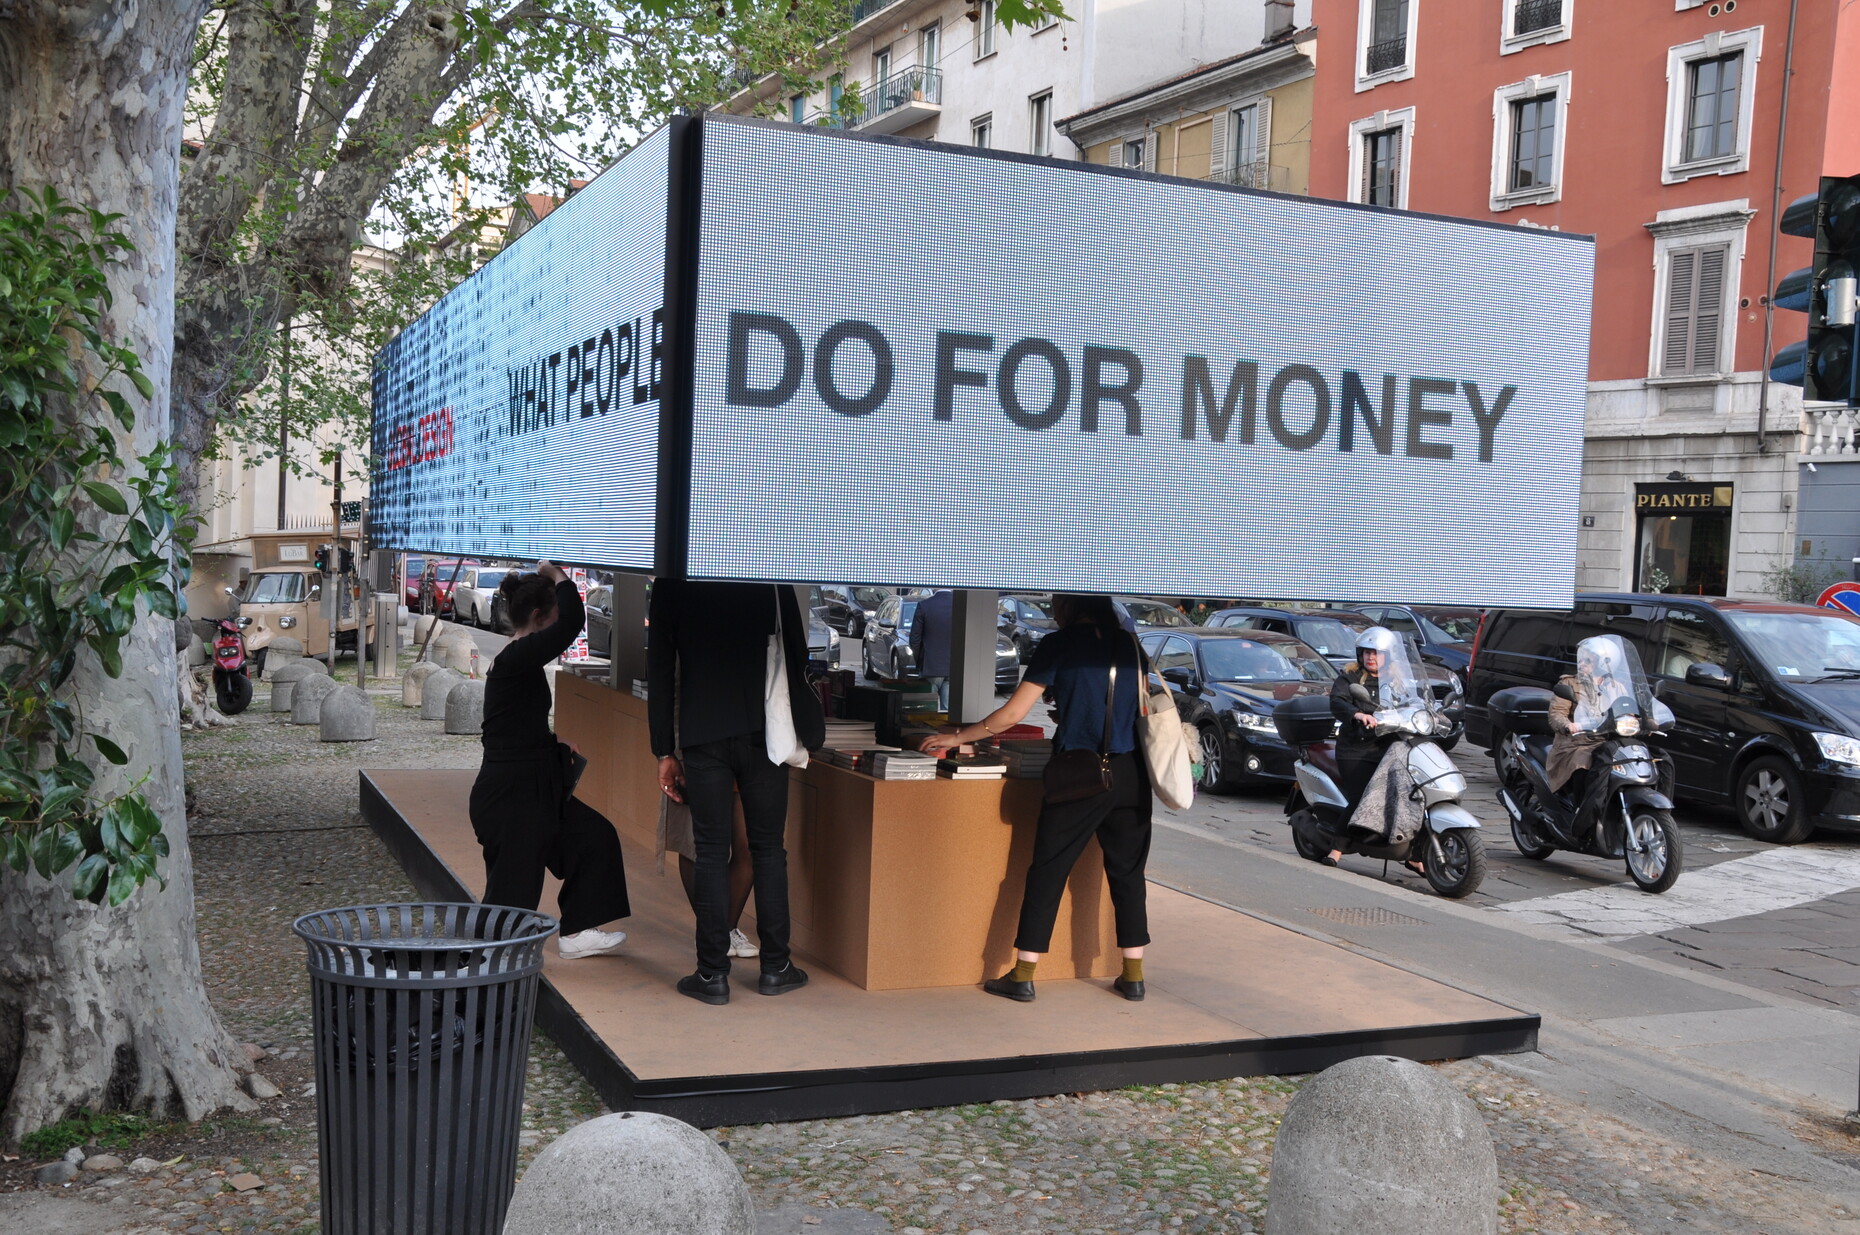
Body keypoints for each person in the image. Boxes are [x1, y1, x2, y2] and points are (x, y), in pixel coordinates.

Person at [921, 593, 1152, 1003]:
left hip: (1080, 771)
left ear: (1071, 605)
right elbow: (1138, 707)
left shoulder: (1058, 644)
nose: (1054, 609)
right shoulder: (1130, 644)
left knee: (1049, 870)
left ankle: (1023, 974)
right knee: (1128, 873)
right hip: (1131, 772)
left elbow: (1012, 714)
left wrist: (957, 737)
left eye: (1057, 601)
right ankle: (1133, 976)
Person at [649, 581, 824, 1005]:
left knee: (711, 851)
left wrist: (664, 750)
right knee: (768, 850)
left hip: (702, 732)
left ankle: (711, 975)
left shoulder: (675, 579)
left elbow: (660, 667)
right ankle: (776, 967)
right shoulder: (767, 573)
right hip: (765, 732)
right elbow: (797, 650)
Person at [469, 561, 631, 958]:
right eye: (553, 616)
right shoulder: (516, 657)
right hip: (511, 793)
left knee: (594, 839)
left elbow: (511, 724)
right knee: (514, 888)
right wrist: (556, 575)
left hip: (533, 783)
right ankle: (491, 962)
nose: (558, 625)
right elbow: (573, 620)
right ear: (539, 617)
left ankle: (576, 932)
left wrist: (553, 741)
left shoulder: (520, 660)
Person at [1326, 626, 1422, 872]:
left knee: (1413, 794)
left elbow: (1413, 702)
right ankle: (1336, 849)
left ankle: (1414, 854)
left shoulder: (1396, 681)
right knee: (1362, 796)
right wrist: (1357, 714)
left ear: (1388, 655)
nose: (1370, 657)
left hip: (1389, 747)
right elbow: (1337, 701)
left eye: (1376, 653)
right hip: (1356, 749)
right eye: (1367, 652)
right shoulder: (1349, 678)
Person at [909, 588, 954, 712]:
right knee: (947, 711)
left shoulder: (924, 605)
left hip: (930, 666)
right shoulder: (961, 606)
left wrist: (920, 660)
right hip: (954, 668)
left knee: (928, 711)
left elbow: (914, 639)